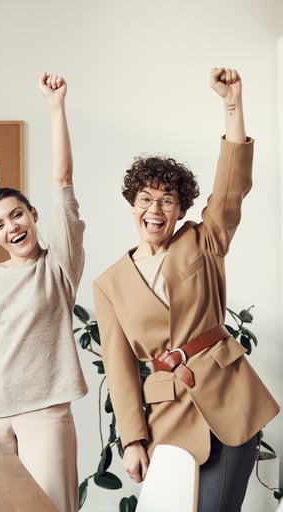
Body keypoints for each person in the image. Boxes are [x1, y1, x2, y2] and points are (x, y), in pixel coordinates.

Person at [93, 67, 279, 511]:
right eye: (145, 199)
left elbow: (231, 189)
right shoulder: (109, 283)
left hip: (229, 399)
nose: (154, 209)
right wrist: (132, 439)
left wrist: (232, 105)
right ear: (131, 204)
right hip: (167, 416)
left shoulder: (203, 239)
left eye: (167, 201)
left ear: (180, 210)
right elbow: (119, 371)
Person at [0, 73, 87, 512]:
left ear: (32, 214)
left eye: (17, 215)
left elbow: (62, 182)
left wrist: (55, 108)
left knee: (50, 509)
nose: (12, 228)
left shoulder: (57, 267)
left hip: (45, 413)